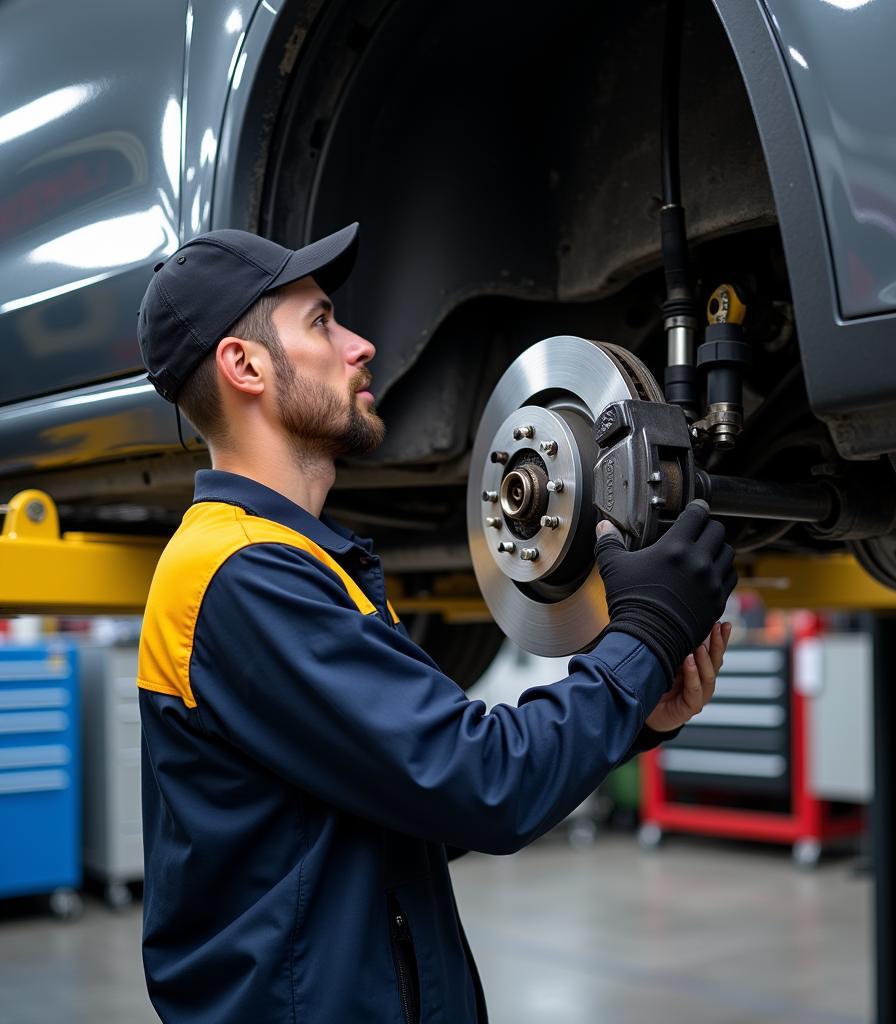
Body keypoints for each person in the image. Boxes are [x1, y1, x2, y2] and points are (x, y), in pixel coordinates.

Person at [135, 224, 736, 1023]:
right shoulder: (242, 577)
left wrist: (630, 717)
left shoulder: (291, 565)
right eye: (320, 322)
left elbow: (420, 807)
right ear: (243, 366)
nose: (360, 345)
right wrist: (646, 637)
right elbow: (485, 787)